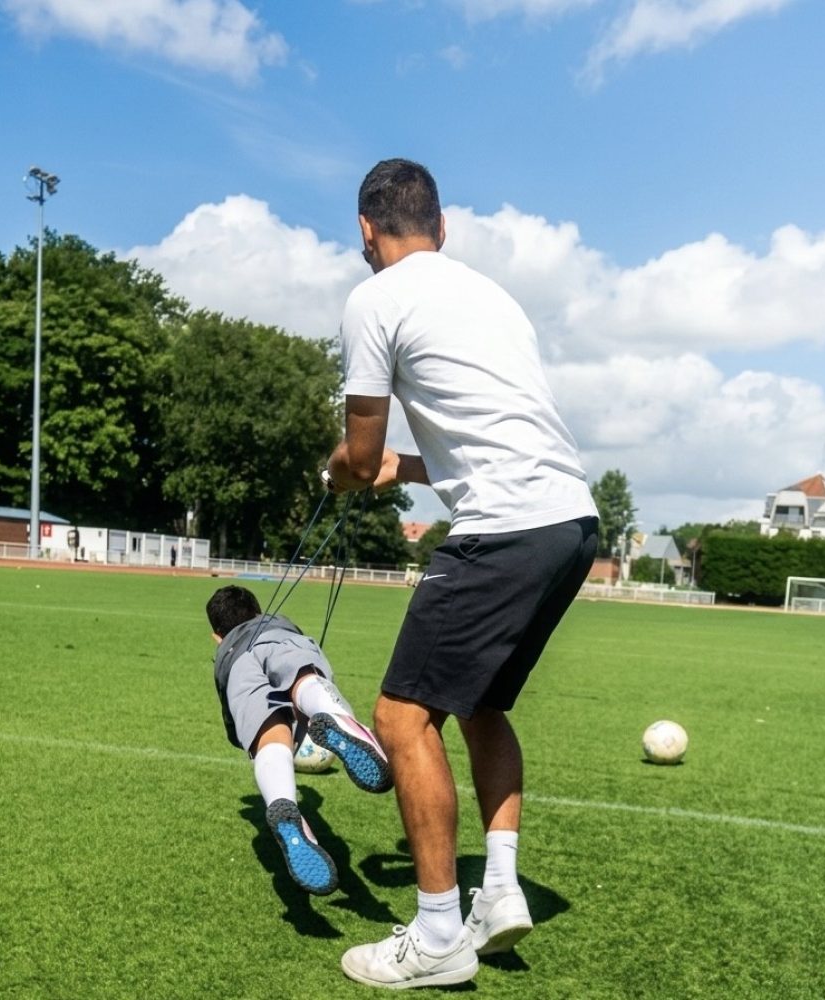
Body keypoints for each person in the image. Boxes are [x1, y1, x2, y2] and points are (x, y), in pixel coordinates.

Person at [326, 159, 599, 989]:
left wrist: (344, 468)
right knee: (480, 705)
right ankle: (500, 890)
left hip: (504, 529)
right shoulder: (492, 298)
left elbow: (358, 452)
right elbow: (483, 438)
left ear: (367, 232)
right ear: (441, 229)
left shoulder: (374, 298)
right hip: (571, 523)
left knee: (401, 717)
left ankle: (439, 932)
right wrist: (404, 471)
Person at [206, 584, 392, 896]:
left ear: (216, 635)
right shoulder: (277, 621)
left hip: (237, 664)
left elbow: (236, 731)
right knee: (304, 681)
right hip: (280, 640)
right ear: (257, 612)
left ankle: (283, 803)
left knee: (270, 736)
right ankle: (338, 719)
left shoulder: (223, 652)